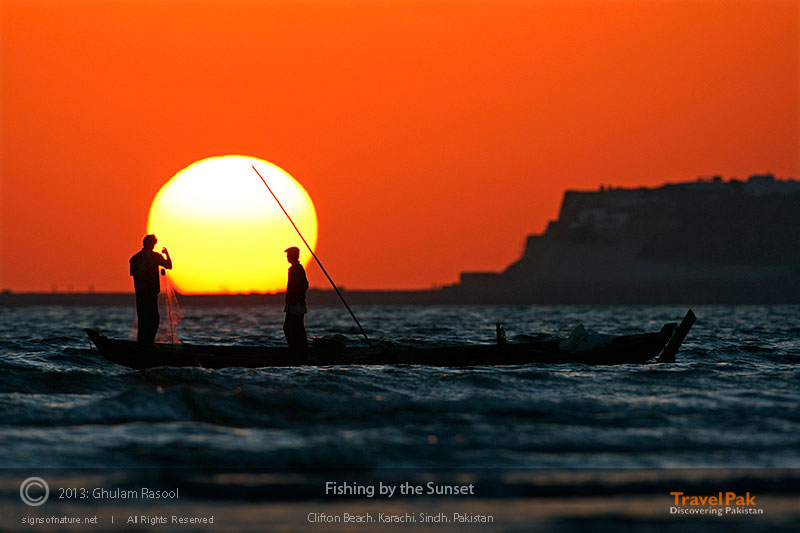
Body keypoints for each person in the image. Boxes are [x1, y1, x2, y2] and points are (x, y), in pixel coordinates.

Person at [129, 234, 172, 344]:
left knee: (143, 318)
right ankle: (148, 343)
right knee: (153, 318)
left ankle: (143, 342)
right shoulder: (154, 257)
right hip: (150, 293)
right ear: (152, 244)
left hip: (141, 293)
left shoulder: (135, 258)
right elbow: (168, 265)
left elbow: (133, 273)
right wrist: (167, 254)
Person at [283, 246, 309, 353]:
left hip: (296, 303)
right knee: (294, 327)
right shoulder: (294, 268)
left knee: (292, 327)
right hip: (293, 303)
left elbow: (304, 285)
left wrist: (296, 297)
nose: (287, 257)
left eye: (289, 255)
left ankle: (298, 350)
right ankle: (298, 349)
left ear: (294, 256)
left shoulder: (297, 269)